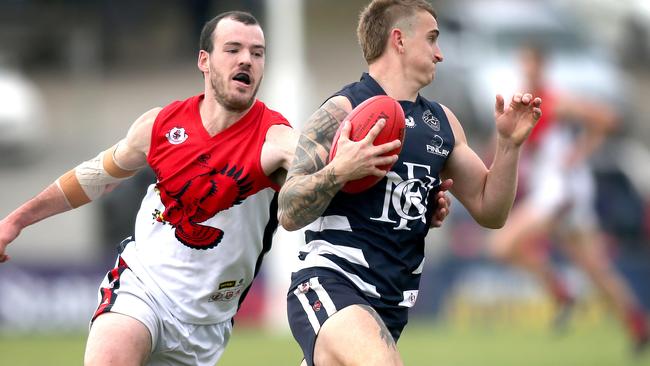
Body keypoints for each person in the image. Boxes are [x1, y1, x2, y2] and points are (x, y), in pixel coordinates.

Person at [0, 11, 295, 366]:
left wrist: (341, 167)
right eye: (233, 49)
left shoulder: (278, 139)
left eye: (257, 52)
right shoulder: (160, 125)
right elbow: (94, 177)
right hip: (143, 287)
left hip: (207, 326)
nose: (247, 59)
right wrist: (16, 221)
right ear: (204, 60)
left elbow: (320, 182)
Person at [276, 1, 542, 365]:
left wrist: (509, 146)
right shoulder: (342, 110)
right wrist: (341, 169)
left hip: (391, 303)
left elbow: (491, 211)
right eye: (432, 39)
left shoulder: (442, 123)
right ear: (398, 40)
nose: (441, 54)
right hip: (331, 281)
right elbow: (288, 209)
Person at [489, 44, 649, 351]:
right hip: (561, 193)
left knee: (501, 246)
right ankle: (637, 323)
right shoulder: (526, 104)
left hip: (560, 193)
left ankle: (560, 292)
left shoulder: (555, 102)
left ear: (542, 68)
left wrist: (580, 152)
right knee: (595, 268)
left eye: (532, 67)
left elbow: (607, 118)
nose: (527, 73)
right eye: (523, 67)